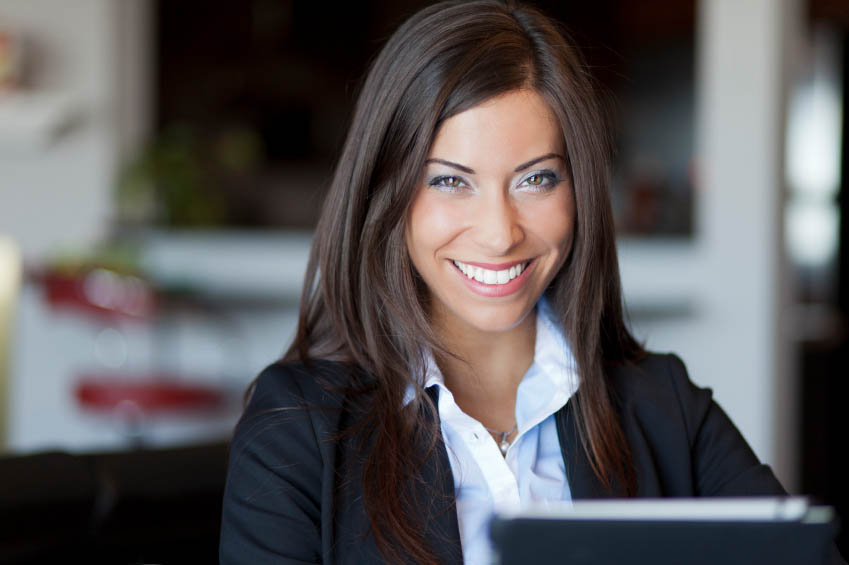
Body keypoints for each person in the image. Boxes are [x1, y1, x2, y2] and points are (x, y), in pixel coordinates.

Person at [219, 2, 843, 564]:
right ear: (386, 197)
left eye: (536, 179)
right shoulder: (297, 427)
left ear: (580, 192)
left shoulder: (663, 407)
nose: (498, 233)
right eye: (449, 180)